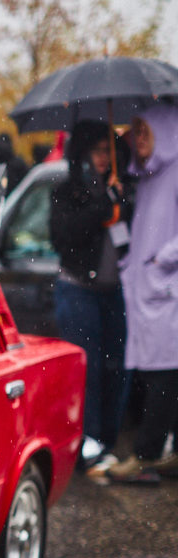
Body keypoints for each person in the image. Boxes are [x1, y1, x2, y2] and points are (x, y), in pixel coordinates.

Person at [48, 120, 134, 475]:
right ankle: (88, 444)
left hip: (117, 293)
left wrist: (120, 199)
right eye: (97, 150)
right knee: (89, 371)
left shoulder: (124, 188)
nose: (103, 157)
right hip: (78, 290)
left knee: (117, 368)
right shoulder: (68, 190)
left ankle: (107, 442)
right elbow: (62, 237)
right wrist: (100, 205)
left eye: (107, 149)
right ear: (83, 153)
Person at [106, 107, 178, 484]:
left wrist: (159, 259)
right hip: (149, 289)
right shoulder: (144, 178)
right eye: (136, 131)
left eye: (145, 130)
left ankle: (147, 454)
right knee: (162, 374)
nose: (139, 138)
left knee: (163, 375)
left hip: (168, 291)